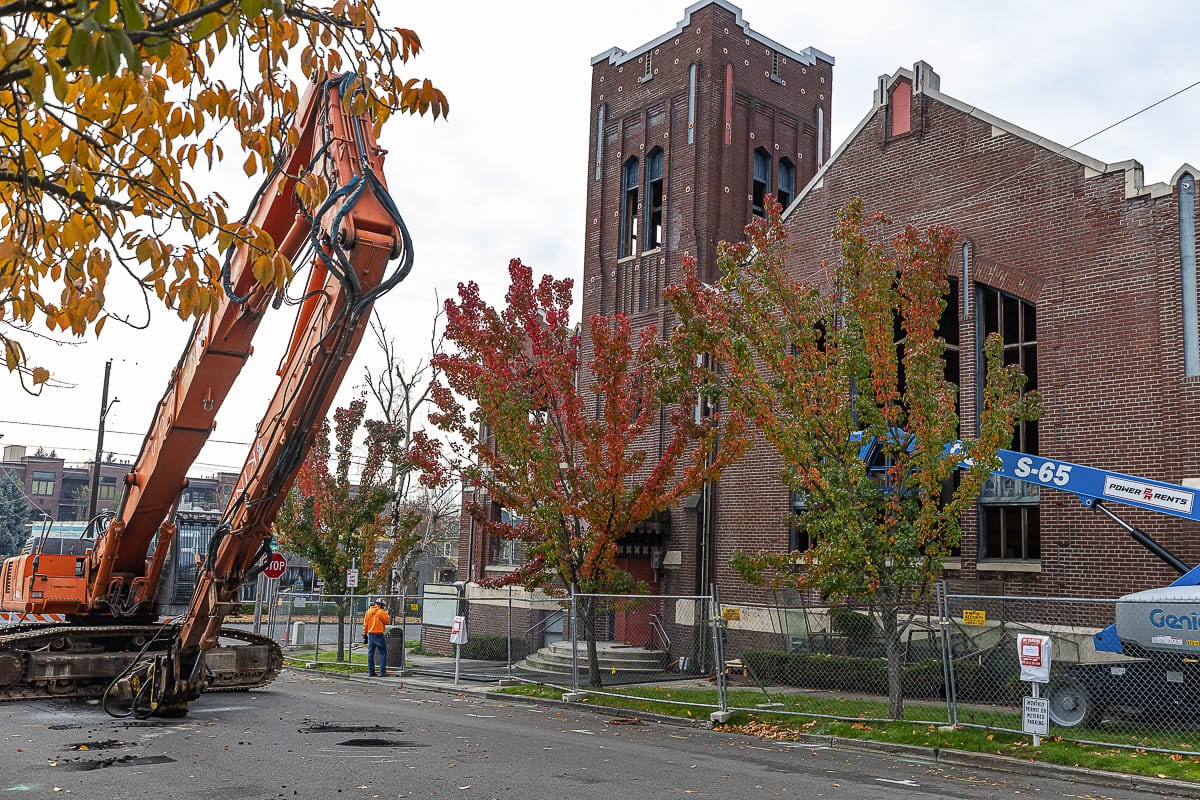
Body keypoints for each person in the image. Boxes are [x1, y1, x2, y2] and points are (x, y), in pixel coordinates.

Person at [362, 597, 391, 677]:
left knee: (370, 653)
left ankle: (371, 671)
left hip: (370, 634)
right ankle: (382, 672)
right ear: (382, 605)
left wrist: (365, 635)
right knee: (382, 652)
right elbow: (387, 621)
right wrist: (386, 613)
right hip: (379, 634)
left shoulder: (368, 612)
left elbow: (365, 624)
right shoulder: (381, 612)